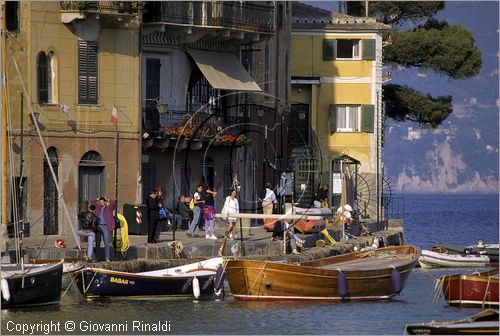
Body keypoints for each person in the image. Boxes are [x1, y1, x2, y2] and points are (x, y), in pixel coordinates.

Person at [90, 196, 116, 262]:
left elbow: (113, 203)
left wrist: (108, 199)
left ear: (105, 202)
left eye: (102, 202)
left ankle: (107, 257)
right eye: (100, 202)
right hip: (98, 226)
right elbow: (92, 201)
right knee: (97, 243)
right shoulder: (97, 207)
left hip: (105, 226)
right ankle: (98, 258)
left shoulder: (109, 208)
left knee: (106, 242)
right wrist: (97, 199)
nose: (101, 203)